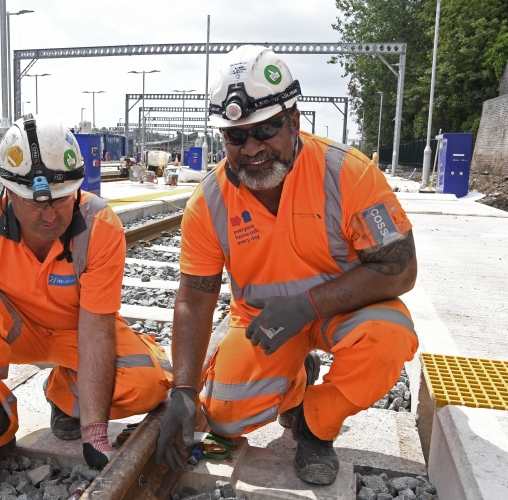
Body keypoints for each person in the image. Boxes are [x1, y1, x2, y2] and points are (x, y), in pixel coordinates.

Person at [154, 45, 418, 485]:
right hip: (263, 322)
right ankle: (297, 378)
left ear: (294, 121)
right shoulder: (210, 201)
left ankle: (315, 425)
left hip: (343, 313)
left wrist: (305, 306)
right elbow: (196, 297)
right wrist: (182, 389)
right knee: (224, 415)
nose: (252, 148)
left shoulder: (347, 174)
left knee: (389, 337)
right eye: (236, 137)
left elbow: (401, 267)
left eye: (267, 130)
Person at [0, 114, 172, 492]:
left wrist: (94, 432)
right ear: (9, 192)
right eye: (34, 203)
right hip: (13, 333)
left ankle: (63, 393)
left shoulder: (99, 228)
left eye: (60, 199)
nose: (49, 213)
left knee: (148, 384)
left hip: (79, 332)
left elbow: (96, 328)